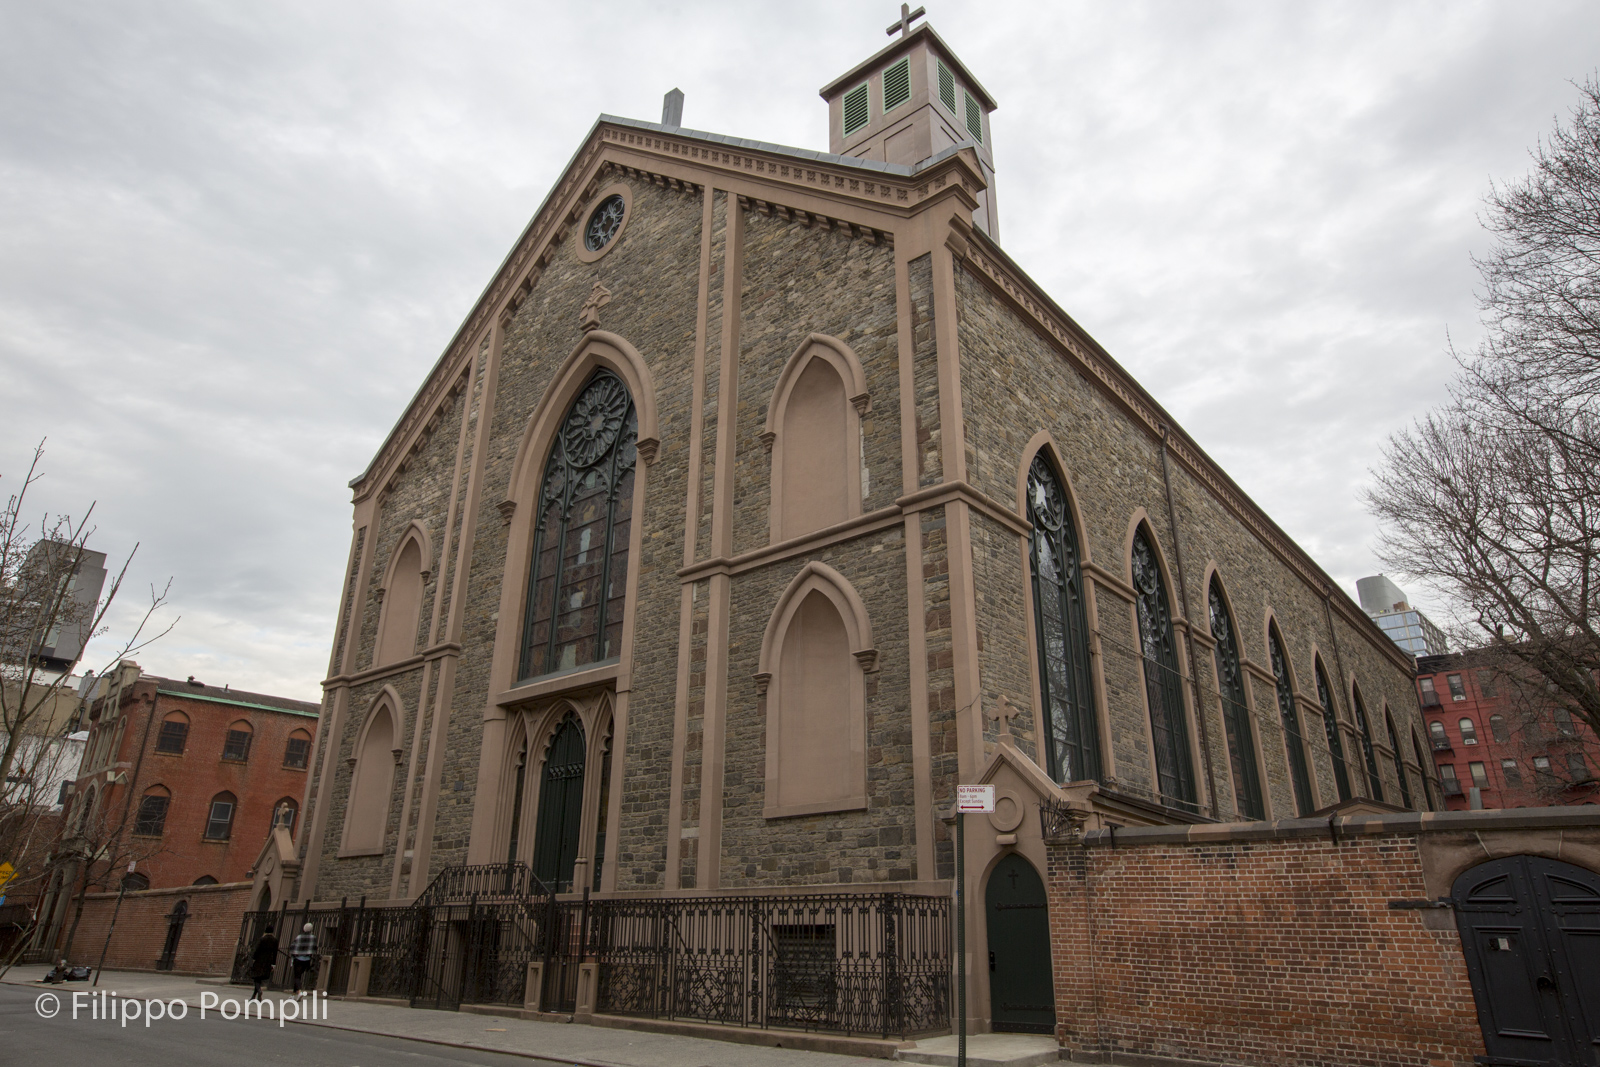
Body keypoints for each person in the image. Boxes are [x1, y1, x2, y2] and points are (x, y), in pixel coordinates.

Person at [249, 924, 279, 1000]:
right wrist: (273, 964)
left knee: (256, 977)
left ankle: (259, 991)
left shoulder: (262, 939)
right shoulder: (275, 940)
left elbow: (257, 950)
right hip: (268, 961)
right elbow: (275, 953)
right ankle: (253, 996)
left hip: (259, 960)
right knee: (259, 979)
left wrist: (253, 958)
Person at [288, 922, 317, 995]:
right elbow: (314, 948)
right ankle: (294, 993)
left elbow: (292, 947)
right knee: (299, 975)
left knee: (297, 976)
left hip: (298, 959)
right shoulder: (313, 937)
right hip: (307, 959)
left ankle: (299, 991)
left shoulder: (299, 937)